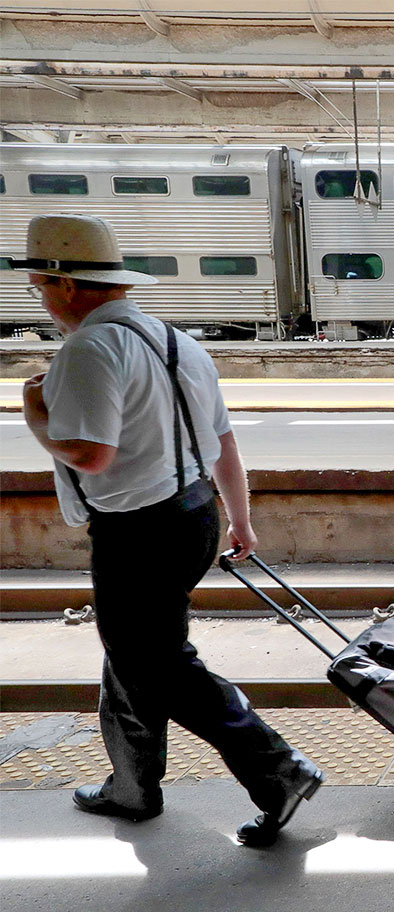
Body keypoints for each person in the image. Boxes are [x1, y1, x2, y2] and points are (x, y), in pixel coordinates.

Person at [14, 214, 324, 847]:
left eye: (40, 286)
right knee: (135, 652)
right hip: (194, 515)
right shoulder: (178, 342)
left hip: (137, 533)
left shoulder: (89, 348)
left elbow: (90, 454)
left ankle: (277, 770)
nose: (41, 300)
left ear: (65, 285)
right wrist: (241, 519)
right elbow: (223, 442)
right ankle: (132, 784)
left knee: (156, 663)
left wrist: (34, 415)